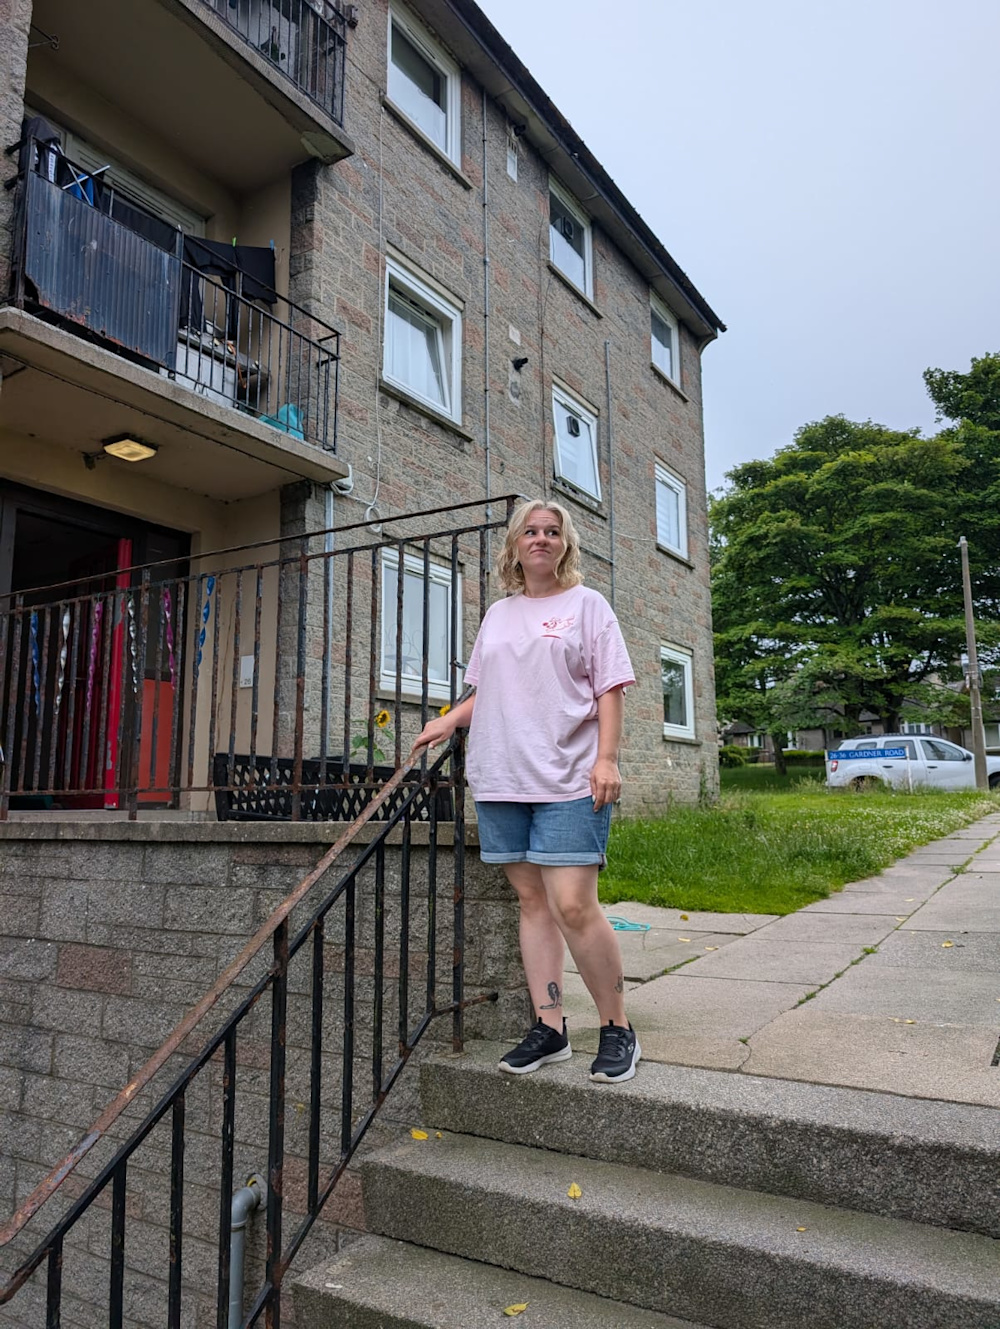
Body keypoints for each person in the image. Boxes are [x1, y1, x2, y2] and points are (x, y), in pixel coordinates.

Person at [411, 499, 640, 1083]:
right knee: (533, 903)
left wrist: (607, 759)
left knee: (572, 904)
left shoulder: (588, 606)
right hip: (501, 776)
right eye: (530, 531)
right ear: (515, 545)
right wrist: (449, 720)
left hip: (568, 776)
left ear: (566, 544)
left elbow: (610, 688)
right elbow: (490, 692)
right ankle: (550, 1026)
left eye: (552, 532)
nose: (541, 539)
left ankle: (617, 1028)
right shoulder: (498, 614)